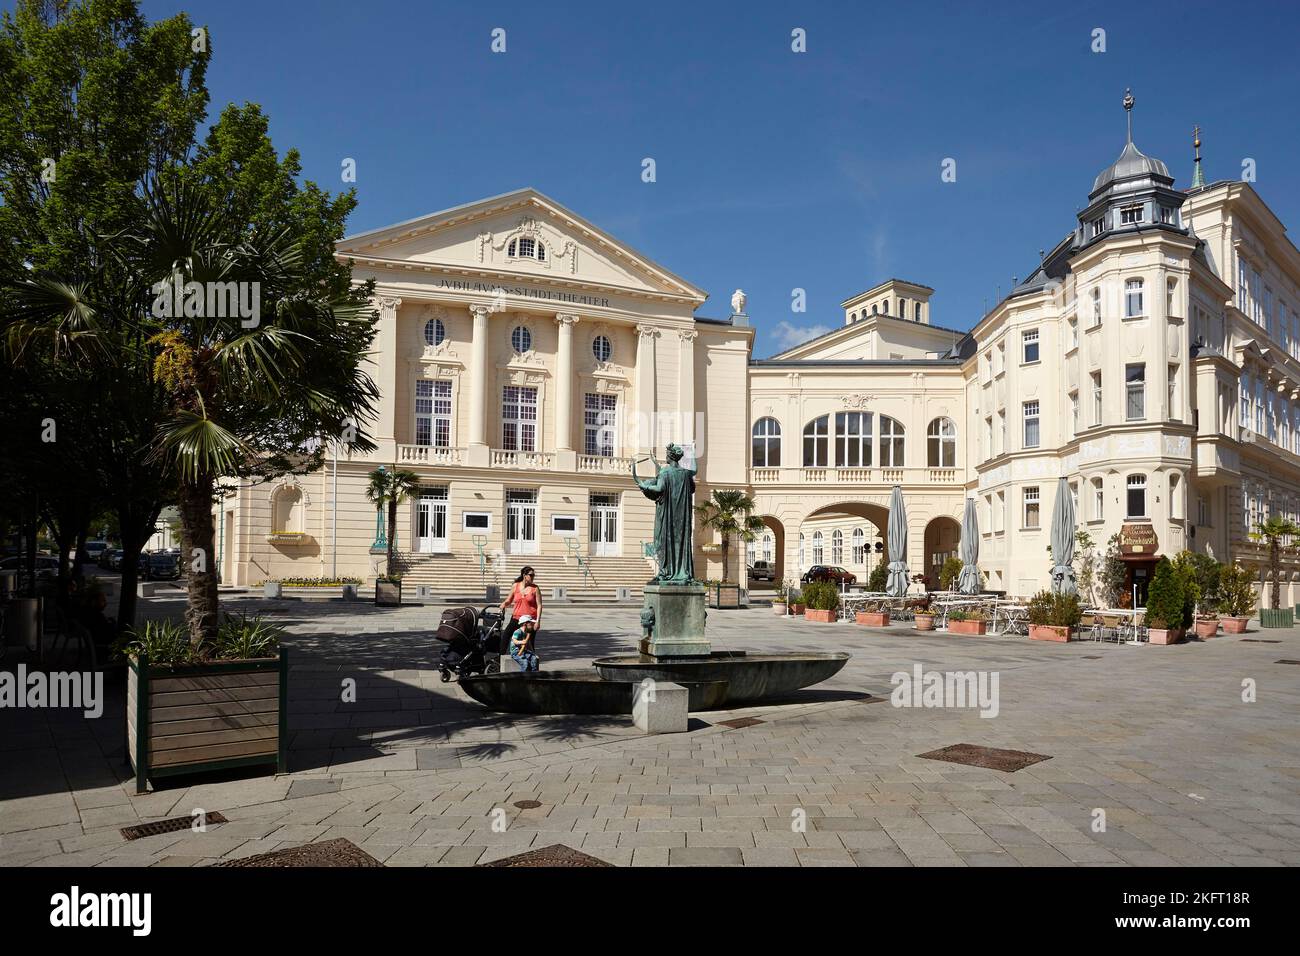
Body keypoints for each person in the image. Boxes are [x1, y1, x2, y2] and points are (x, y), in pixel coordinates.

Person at [500, 565, 542, 646]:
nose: (533, 577)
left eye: (534, 575)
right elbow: (509, 600)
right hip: (516, 618)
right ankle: (500, 654)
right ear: (524, 575)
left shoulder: (535, 588)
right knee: (505, 636)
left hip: (530, 620)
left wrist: (538, 621)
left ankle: (531, 657)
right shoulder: (515, 586)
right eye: (531, 575)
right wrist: (504, 604)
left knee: (530, 643)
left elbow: (539, 605)